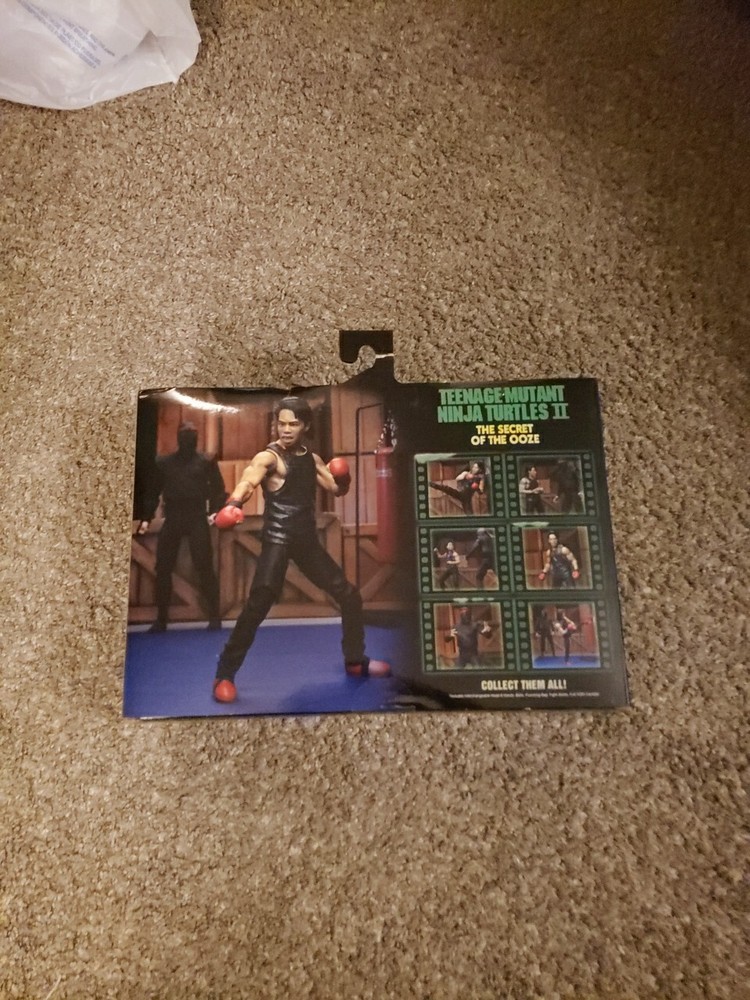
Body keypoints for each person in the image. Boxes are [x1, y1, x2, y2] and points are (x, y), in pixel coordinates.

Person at [210, 396, 389, 704]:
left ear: (305, 425)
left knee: (349, 595)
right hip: (278, 540)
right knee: (257, 606)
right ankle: (224, 674)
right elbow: (249, 480)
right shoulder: (269, 457)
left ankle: (355, 660)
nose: (286, 429)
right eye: (281, 423)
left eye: (293, 424)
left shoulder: (312, 459)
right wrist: (234, 504)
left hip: (306, 542)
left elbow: (336, 489)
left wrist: (344, 477)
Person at [137, 421, 226, 632]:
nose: (189, 437)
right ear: (178, 437)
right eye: (185, 434)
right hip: (173, 516)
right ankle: (161, 619)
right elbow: (153, 492)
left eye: (192, 433)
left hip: (197, 516)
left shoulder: (206, 461)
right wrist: (146, 518)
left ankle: (215, 616)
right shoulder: (164, 463)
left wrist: (214, 511)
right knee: (163, 568)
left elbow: (218, 489)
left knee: (204, 566)